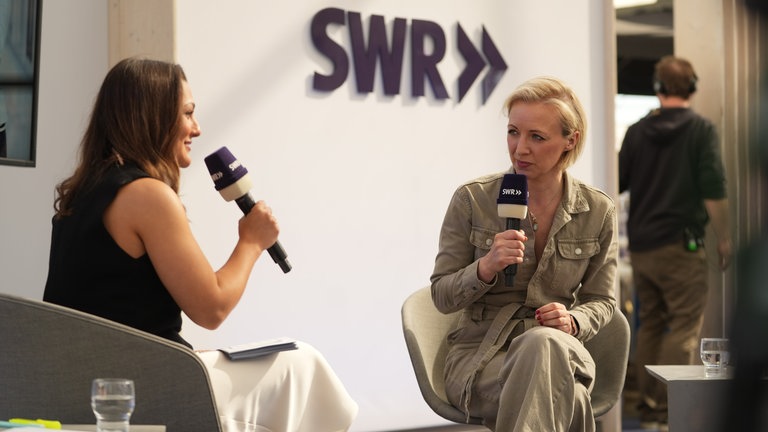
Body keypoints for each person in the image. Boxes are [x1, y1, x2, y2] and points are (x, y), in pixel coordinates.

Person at [43, 57, 358, 432]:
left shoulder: (83, 194)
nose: (196, 128)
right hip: (142, 388)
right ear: (153, 116)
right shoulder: (148, 196)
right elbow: (212, 308)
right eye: (188, 114)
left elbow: (115, 309)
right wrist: (252, 242)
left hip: (76, 387)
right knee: (302, 363)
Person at [431, 76, 618, 431]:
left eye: (537, 137)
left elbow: (603, 301)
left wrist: (574, 321)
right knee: (572, 399)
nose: (520, 149)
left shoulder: (597, 210)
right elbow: (441, 295)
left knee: (542, 342)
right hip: (483, 358)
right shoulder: (473, 199)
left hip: (561, 349)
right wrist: (485, 267)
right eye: (513, 132)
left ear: (570, 140)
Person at [618, 55, 732, 429]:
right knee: (683, 327)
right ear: (693, 87)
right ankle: (671, 411)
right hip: (683, 247)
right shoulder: (700, 130)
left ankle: (649, 410)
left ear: (657, 88)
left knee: (650, 323)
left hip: (644, 246)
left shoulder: (636, 131)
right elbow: (714, 189)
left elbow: (617, 181)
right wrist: (725, 238)